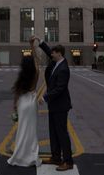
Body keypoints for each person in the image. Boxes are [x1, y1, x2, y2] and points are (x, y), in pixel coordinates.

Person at [33, 37, 73, 172]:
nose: (51, 55)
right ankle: (56, 157)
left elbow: (60, 88)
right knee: (53, 132)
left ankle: (68, 161)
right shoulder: (57, 63)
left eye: (53, 53)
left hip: (61, 106)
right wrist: (40, 42)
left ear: (59, 54)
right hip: (54, 105)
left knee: (62, 133)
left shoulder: (63, 69)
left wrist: (45, 97)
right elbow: (48, 51)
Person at [7, 38, 42, 167]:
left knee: (21, 129)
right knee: (31, 131)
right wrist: (32, 46)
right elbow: (37, 60)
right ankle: (31, 155)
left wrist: (15, 108)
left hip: (22, 103)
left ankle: (19, 155)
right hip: (31, 103)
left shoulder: (22, 78)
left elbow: (17, 94)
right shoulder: (36, 73)